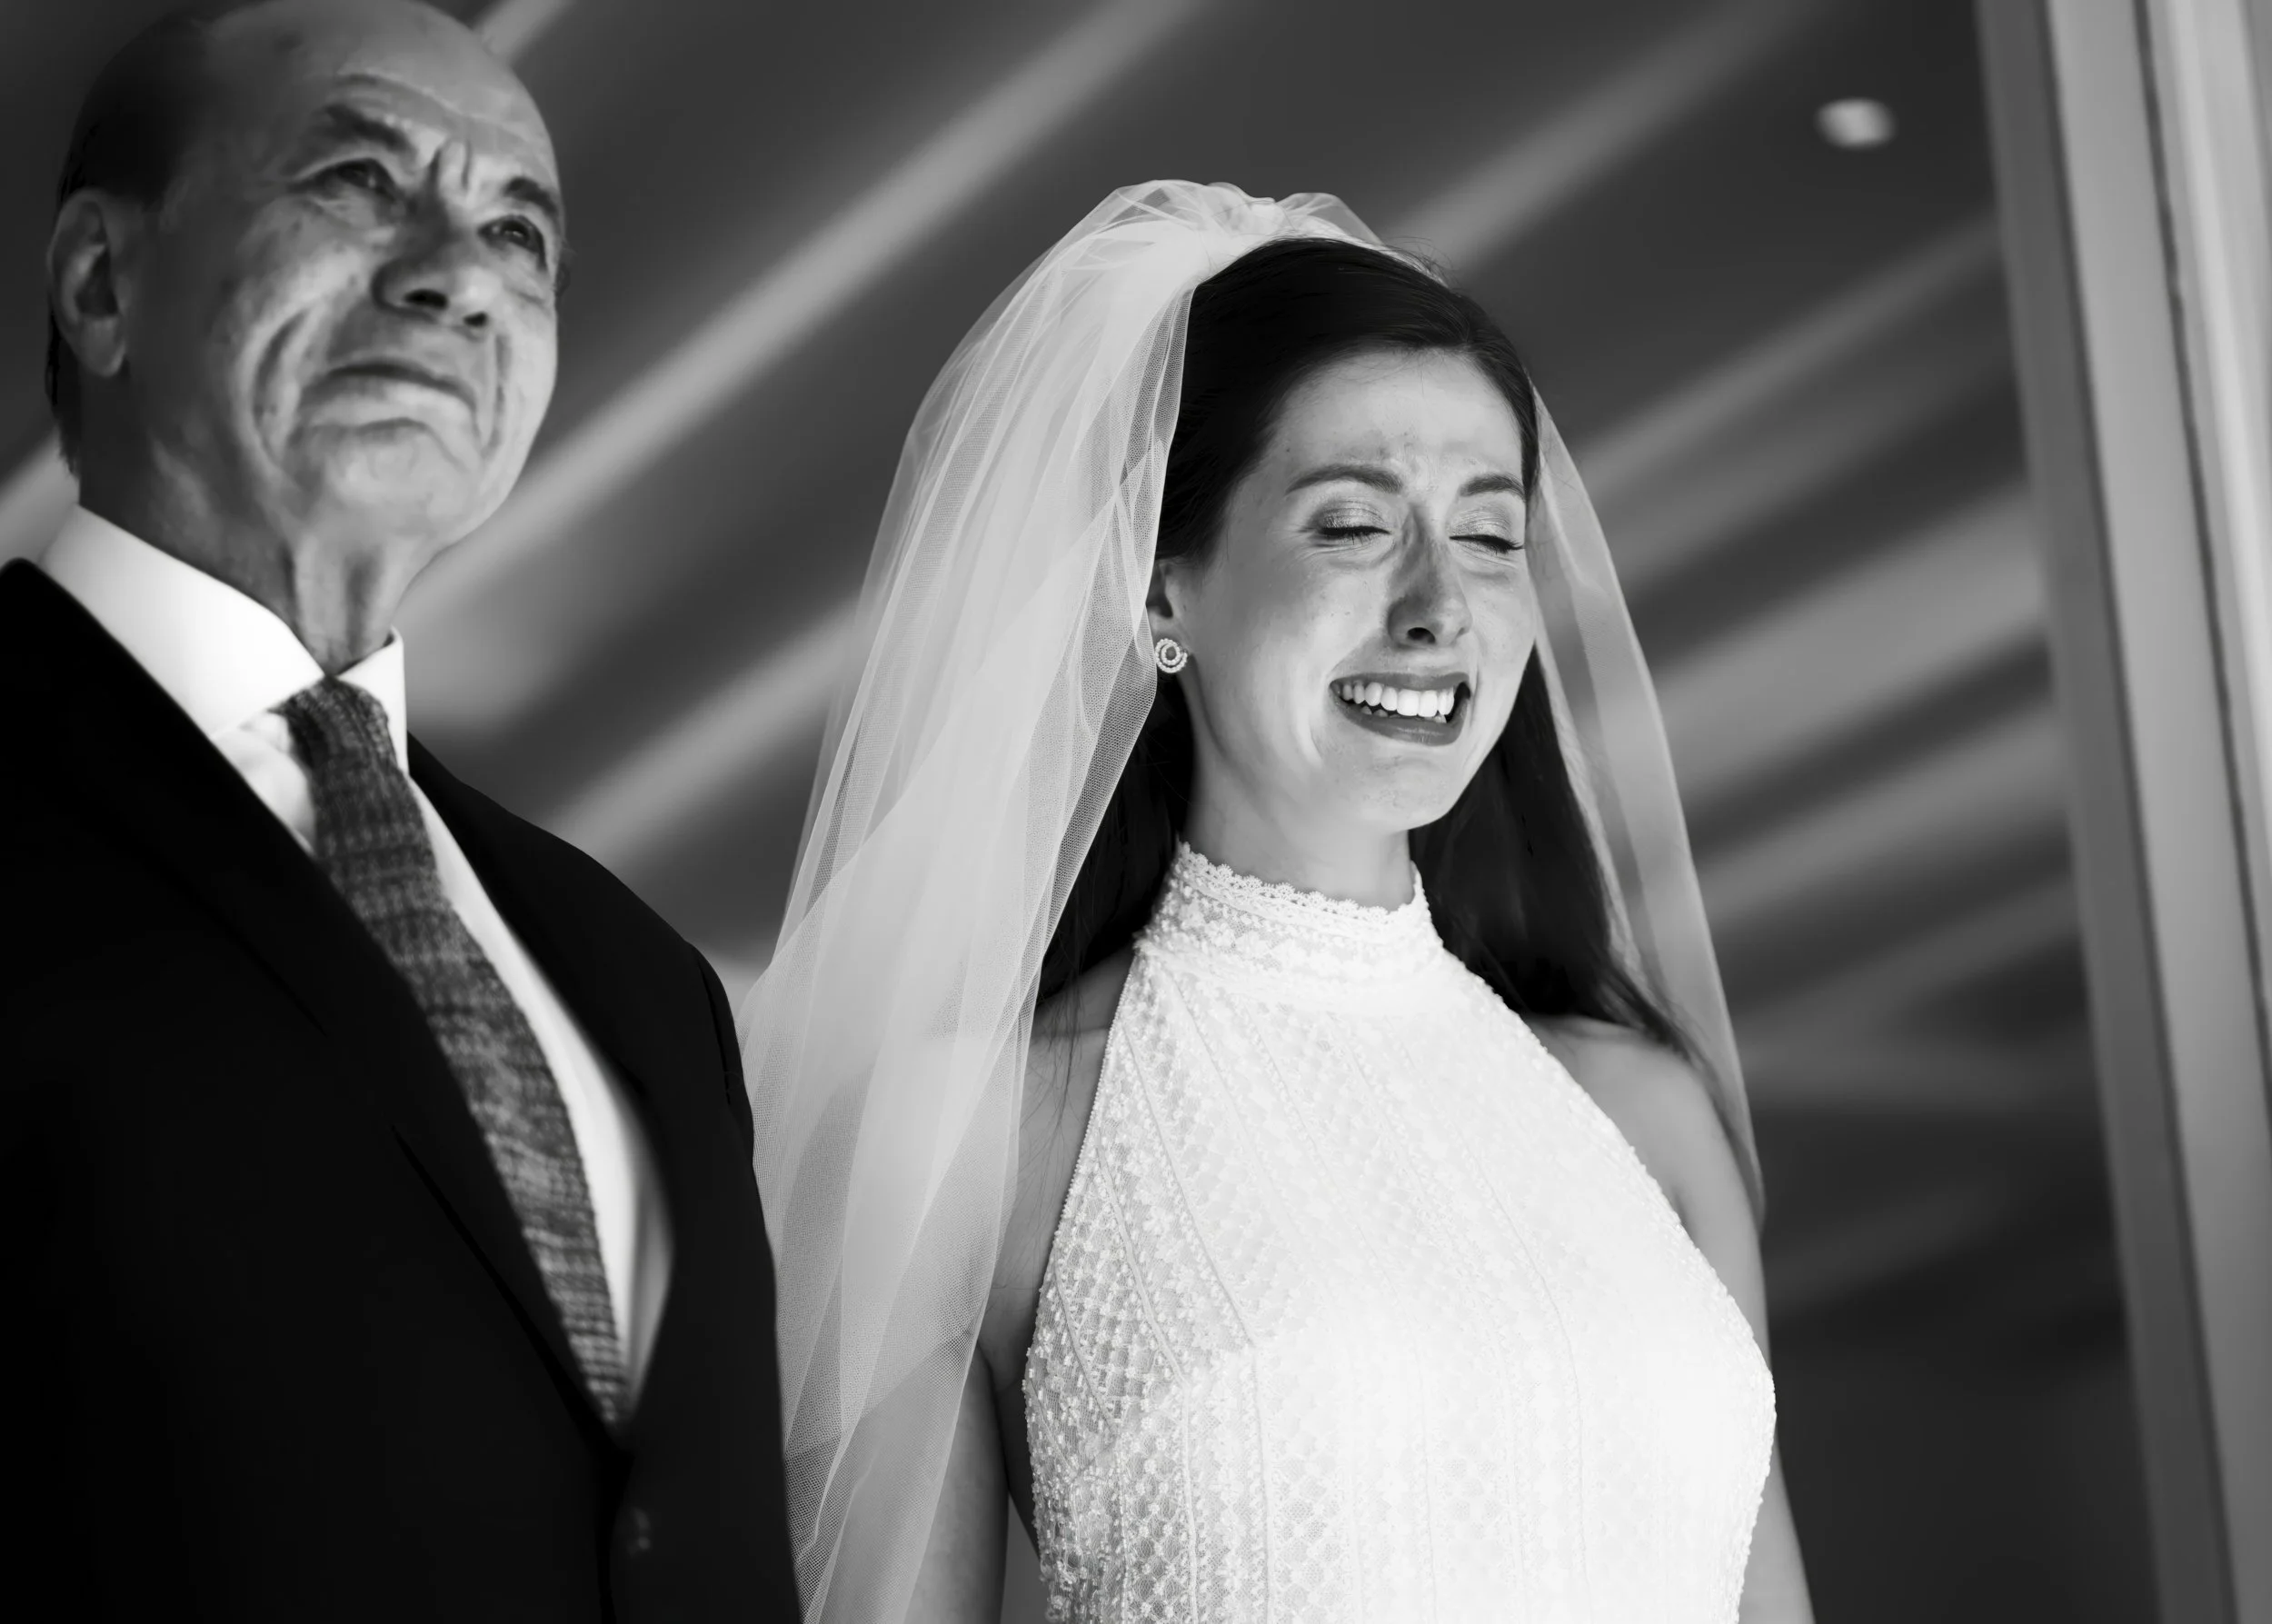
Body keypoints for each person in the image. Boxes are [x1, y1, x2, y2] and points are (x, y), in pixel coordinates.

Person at [742, 183, 1815, 1622]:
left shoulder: (1643, 1113)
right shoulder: (974, 1136)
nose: (1442, 606)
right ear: (1158, 594)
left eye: (1491, 537)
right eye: (1355, 523)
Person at [1, 4, 798, 1618]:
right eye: (360, 179)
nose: (463, 274)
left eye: (521, 229)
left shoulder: (645, 976)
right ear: (102, 283)